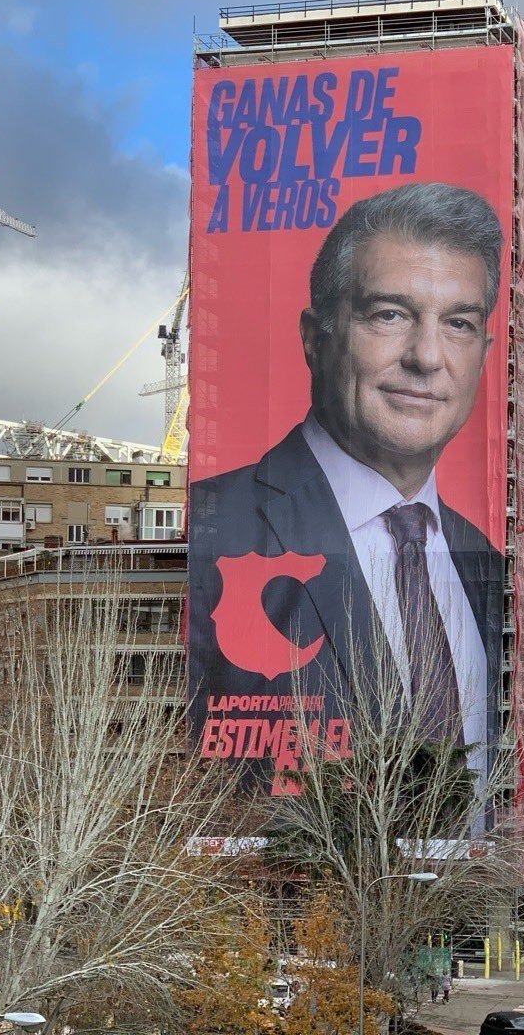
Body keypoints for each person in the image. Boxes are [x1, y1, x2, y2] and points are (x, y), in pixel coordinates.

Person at [189, 182, 505, 794]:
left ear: (485, 353)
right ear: (315, 337)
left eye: (459, 323)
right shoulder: (212, 526)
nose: (427, 356)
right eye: (389, 315)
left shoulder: (489, 565)